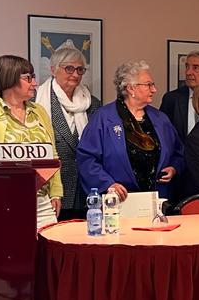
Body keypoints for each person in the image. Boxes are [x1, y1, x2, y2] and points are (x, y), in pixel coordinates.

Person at [0, 55, 62, 228]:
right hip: (0, 204)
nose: (35, 83)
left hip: (42, 204)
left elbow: (53, 155)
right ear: (9, 78)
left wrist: (56, 193)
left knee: (48, 245)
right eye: (28, 78)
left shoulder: (40, 112)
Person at [77, 60, 184, 203]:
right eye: (148, 85)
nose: (154, 90)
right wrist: (107, 184)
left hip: (157, 200)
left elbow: (179, 152)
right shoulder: (103, 118)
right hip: (119, 201)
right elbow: (87, 158)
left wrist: (174, 168)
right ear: (130, 88)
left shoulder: (160, 119)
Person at [35, 45, 100, 219]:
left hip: (85, 185)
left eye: (80, 69)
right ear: (53, 70)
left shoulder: (92, 103)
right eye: (69, 68)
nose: (75, 74)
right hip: (53, 185)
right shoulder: (37, 101)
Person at [160, 50, 199, 142]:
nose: (188, 72)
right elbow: (162, 133)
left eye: (195, 68)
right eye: (187, 67)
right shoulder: (171, 98)